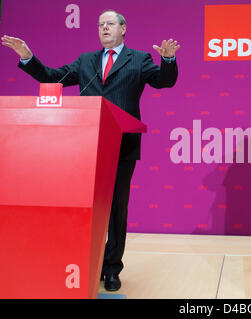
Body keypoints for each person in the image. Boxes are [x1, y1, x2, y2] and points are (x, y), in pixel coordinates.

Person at [1, 9, 180, 292]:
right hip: (85, 148)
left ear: (123, 29)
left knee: (116, 208)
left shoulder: (139, 59)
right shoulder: (87, 61)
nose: (104, 28)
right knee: (84, 209)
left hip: (121, 146)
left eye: (110, 24)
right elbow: (52, 76)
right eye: (100, 25)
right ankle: (87, 263)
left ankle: (111, 268)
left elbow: (164, 81)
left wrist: (167, 59)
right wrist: (27, 57)